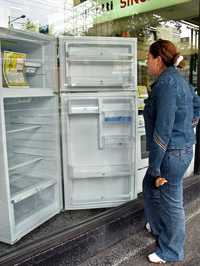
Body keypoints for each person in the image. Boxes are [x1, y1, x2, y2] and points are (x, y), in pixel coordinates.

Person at [143, 39, 200, 264]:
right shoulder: (178, 78)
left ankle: (171, 250)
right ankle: (157, 227)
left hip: (171, 153)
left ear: (158, 59)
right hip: (182, 148)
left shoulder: (167, 83)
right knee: (149, 185)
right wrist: (188, 125)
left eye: (148, 58)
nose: (146, 62)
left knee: (171, 201)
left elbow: (163, 129)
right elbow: (197, 104)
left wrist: (156, 167)